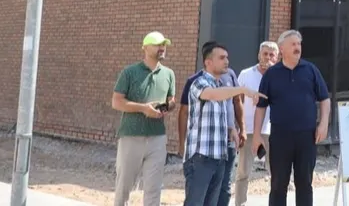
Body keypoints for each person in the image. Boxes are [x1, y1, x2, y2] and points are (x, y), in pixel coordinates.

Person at [251, 29, 331, 206]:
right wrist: (257, 135)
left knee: (305, 184)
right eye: (293, 44)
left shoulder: (311, 70)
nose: (297, 47)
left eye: (299, 44)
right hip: (280, 137)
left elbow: (325, 99)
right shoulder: (272, 74)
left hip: (307, 136)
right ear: (282, 49)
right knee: (278, 184)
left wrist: (324, 123)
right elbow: (261, 106)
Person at [184, 42, 263, 206]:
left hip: (219, 156)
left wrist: (231, 128)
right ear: (208, 62)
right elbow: (212, 95)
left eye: (227, 57)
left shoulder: (220, 85)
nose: (227, 61)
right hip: (201, 157)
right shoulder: (199, 83)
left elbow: (211, 117)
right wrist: (242, 89)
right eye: (221, 58)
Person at [112, 32, 178, 206]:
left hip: (157, 138)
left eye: (164, 45)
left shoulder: (169, 74)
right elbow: (117, 102)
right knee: (124, 187)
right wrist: (144, 108)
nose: (162, 48)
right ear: (145, 48)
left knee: (154, 189)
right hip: (131, 136)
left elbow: (172, 100)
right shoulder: (129, 72)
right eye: (158, 45)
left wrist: (166, 107)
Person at [234, 41, 279, 206]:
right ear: (259, 55)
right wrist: (239, 126)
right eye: (265, 54)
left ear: (277, 57)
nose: (267, 58)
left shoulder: (280, 76)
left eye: (271, 55)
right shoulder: (246, 74)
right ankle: (240, 203)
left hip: (272, 129)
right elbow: (236, 98)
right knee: (243, 172)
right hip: (249, 129)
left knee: (275, 172)